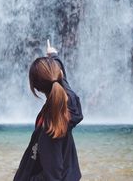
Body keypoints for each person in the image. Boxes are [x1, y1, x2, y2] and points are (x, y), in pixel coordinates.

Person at [13, 40, 83, 181]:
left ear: (36, 88)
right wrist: (54, 56)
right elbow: (62, 83)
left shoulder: (50, 129)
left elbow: (52, 177)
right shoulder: (70, 107)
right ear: (60, 74)